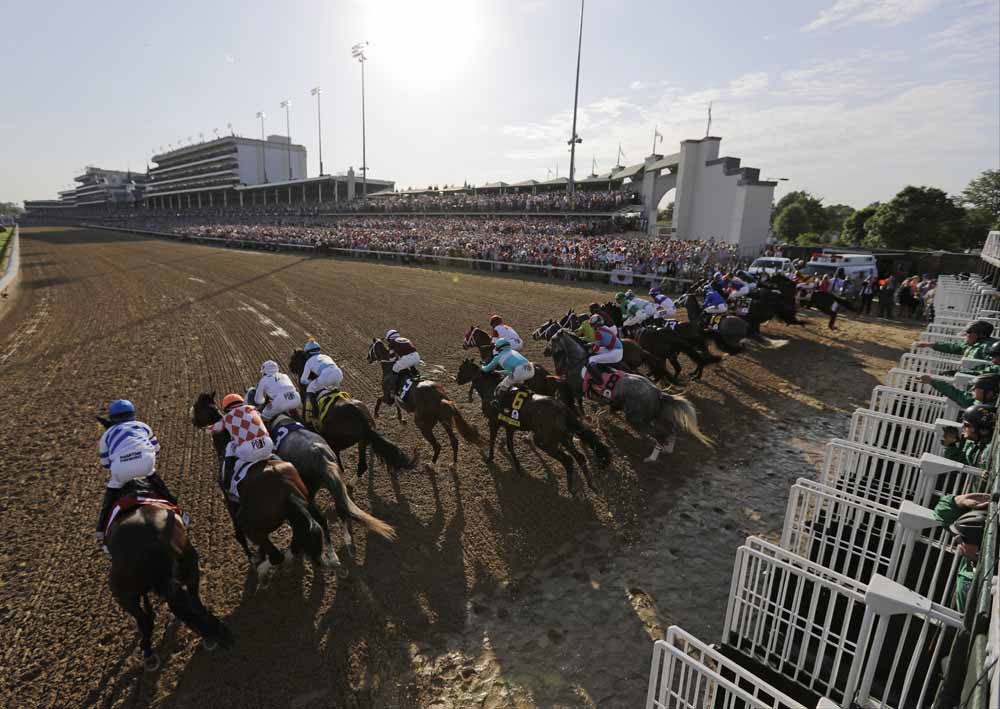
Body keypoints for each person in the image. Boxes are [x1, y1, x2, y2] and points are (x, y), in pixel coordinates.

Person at [96, 399, 181, 549]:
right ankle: (178, 510)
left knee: (109, 497)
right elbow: (157, 448)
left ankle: (101, 530)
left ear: (112, 417)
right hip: (146, 464)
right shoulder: (143, 426)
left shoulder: (107, 434)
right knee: (159, 485)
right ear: (133, 414)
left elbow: (105, 463)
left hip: (121, 470)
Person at [207, 393, 275, 498]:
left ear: (226, 408)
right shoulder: (253, 409)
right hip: (267, 444)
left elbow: (214, 429)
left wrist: (206, 428)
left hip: (248, 450)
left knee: (230, 447)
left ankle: (231, 487)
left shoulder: (227, 418)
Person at [932, 493, 990, 612]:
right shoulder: (967, 575)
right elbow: (940, 512)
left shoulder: (966, 575)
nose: (956, 540)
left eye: (961, 538)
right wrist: (958, 501)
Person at [481, 338, 535, 410]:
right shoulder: (514, 352)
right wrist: (498, 372)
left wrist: (482, 366)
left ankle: (498, 403)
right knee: (518, 381)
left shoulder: (498, 357)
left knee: (500, 387)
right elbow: (510, 371)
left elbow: (486, 369)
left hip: (519, 372)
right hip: (531, 369)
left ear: (499, 348)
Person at [298, 339, 344, 422]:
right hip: (339, 373)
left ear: (307, 353)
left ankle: (315, 413)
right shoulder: (326, 356)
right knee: (332, 387)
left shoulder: (308, 361)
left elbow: (303, 380)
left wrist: (311, 382)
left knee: (310, 388)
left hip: (326, 375)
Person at [941, 404, 996, 470]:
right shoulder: (980, 447)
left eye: (966, 425)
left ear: (980, 427)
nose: (963, 427)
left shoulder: (988, 450)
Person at [913, 320, 996, 360]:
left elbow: (991, 367)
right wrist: (930, 344)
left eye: (969, 332)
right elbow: (953, 347)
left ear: (982, 335)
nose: (966, 335)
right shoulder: (974, 344)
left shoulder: (988, 347)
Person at [921, 371, 1000, 410]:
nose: (972, 389)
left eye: (976, 387)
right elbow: (955, 394)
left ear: (989, 392)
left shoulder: (991, 409)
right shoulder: (975, 402)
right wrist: (931, 381)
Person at [584, 314, 624, 381]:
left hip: (615, 353)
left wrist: (590, 350)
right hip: (616, 349)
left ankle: (600, 380)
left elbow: (596, 348)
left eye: (592, 325)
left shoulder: (598, 332)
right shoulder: (605, 327)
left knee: (591, 359)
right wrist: (590, 345)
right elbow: (600, 342)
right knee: (597, 352)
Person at [385, 329, 421, 396]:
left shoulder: (392, 343)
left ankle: (393, 389)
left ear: (389, 338)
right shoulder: (405, 339)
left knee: (394, 368)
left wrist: (394, 360)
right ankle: (415, 374)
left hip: (407, 359)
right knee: (410, 363)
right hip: (417, 356)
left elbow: (392, 358)